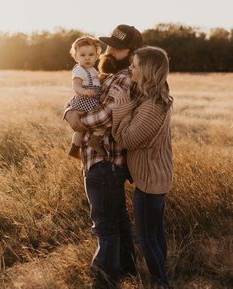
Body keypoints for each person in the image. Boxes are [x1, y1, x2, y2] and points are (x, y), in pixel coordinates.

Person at [64, 24, 143, 289]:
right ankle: (127, 271)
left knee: (104, 226)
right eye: (109, 44)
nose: (109, 49)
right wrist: (69, 112)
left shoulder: (124, 78)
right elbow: (80, 98)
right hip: (102, 161)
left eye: (117, 47)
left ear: (131, 53)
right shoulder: (106, 75)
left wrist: (77, 120)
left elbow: (106, 116)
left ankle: (103, 279)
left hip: (105, 160)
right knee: (117, 220)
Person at [111, 46, 173, 289]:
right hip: (157, 176)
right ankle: (163, 278)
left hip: (150, 181)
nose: (130, 68)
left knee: (147, 238)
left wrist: (122, 105)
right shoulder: (156, 97)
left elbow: (126, 139)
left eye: (134, 65)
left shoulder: (151, 107)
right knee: (156, 234)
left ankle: (161, 283)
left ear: (146, 70)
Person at [68, 36, 105, 158]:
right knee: (100, 120)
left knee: (80, 128)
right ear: (76, 57)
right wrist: (84, 91)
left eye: (91, 54)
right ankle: (93, 140)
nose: (87, 58)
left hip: (91, 99)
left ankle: (75, 146)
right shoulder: (79, 70)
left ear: (96, 55)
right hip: (85, 101)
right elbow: (76, 86)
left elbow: (95, 80)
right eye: (82, 55)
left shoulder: (93, 70)